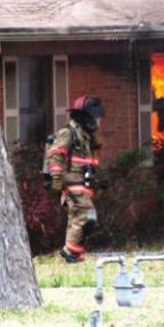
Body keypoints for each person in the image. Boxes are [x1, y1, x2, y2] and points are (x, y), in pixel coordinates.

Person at [46, 94, 104, 263]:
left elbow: (89, 161)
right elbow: (56, 155)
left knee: (82, 219)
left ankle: (76, 254)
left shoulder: (85, 137)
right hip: (71, 183)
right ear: (86, 118)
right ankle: (69, 250)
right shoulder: (67, 133)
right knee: (85, 215)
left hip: (82, 184)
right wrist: (56, 179)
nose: (98, 122)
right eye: (96, 118)